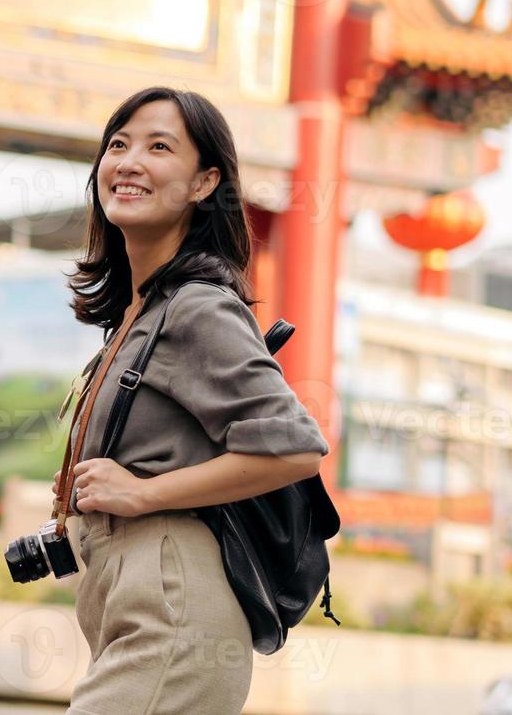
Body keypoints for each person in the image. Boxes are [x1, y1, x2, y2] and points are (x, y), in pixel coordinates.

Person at [57, 87, 329, 715]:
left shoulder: (197, 306)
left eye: (159, 147)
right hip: (131, 600)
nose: (128, 161)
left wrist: (142, 492)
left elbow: (296, 448)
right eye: (118, 144)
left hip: (174, 606)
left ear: (205, 182)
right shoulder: (142, 311)